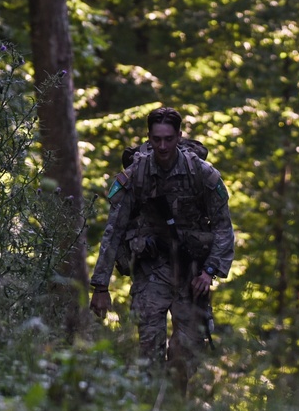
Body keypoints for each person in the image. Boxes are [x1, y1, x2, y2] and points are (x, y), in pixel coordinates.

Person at [89, 107, 235, 396]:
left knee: (186, 354)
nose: (163, 146)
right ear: (149, 138)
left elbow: (223, 227)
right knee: (148, 350)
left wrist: (209, 272)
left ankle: (174, 409)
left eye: (169, 139)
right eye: (157, 140)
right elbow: (114, 230)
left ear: (179, 137)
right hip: (151, 271)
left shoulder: (202, 175)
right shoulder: (137, 175)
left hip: (192, 274)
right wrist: (100, 285)